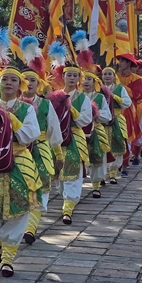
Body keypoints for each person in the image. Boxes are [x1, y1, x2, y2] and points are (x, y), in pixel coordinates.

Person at [0, 68, 42, 275]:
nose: (8, 83)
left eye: (13, 80)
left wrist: (14, 122)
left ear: (20, 86)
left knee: (20, 206)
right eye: (4, 79)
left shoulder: (26, 108)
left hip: (19, 159)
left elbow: (30, 135)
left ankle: (8, 258)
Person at [22, 69, 62, 245]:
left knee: (42, 187)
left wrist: (58, 153)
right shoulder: (12, 104)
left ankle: (31, 228)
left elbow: (54, 129)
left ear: (39, 84)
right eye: (25, 80)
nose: (29, 83)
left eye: (33, 80)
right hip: (18, 152)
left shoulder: (45, 104)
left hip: (40, 149)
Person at [55, 66, 92, 225]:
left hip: (75, 137)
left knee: (73, 172)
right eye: (68, 75)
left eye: (75, 75)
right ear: (63, 76)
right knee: (59, 176)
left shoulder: (83, 98)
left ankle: (68, 207)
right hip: (57, 139)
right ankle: (66, 199)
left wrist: (72, 111)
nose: (71, 78)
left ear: (79, 79)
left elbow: (86, 119)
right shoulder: (55, 96)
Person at [81, 70, 112, 198]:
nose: (86, 81)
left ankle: (96, 185)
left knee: (97, 156)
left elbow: (108, 115)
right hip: (79, 132)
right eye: (84, 78)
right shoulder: (77, 97)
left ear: (95, 82)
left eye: (89, 79)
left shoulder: (100, 97)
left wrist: (95, 114)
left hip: (96, 130)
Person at [101, 67, 132, 184]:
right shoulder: (99, 89)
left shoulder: (119, 88)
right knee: (102, 147)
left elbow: (127, 102)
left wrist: (114, 97)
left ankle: (113, 174)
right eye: (105, 74)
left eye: (110, 74)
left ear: (114, 76)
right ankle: (102, 175)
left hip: (116, 120)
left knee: (116, 145)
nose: (107, 76)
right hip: (102, 122)